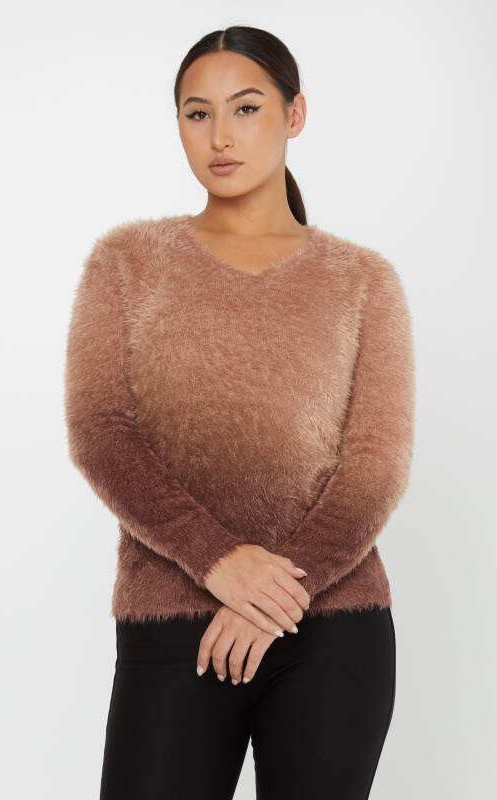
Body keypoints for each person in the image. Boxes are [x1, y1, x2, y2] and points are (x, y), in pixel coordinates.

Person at [64, 25, 415, 800]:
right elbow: (101, 435)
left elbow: (375, 468)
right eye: (197, 113)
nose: (220, 135)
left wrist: (276, 597)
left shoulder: (363, 281)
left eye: (246, 108)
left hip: (333, 629)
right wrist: (219, 561)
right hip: (171, 624)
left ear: (294, 114)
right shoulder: (126, 262)